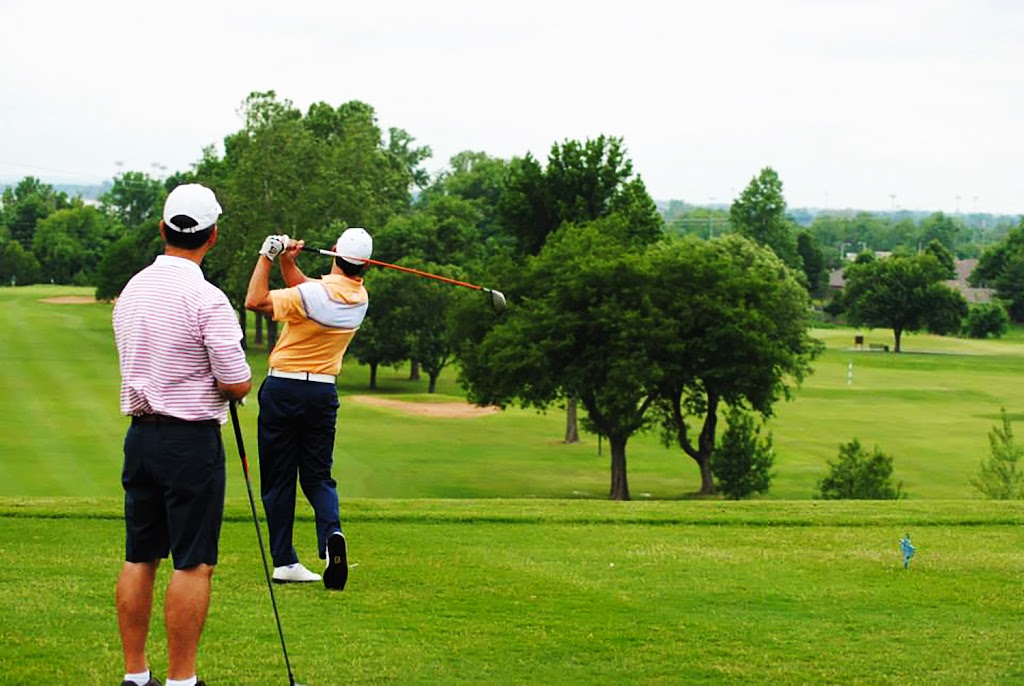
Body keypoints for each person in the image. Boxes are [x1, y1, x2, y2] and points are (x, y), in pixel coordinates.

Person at [112, 183, 252, 686]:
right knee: (194, 563)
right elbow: (236, 381)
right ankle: (182, 681)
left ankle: (136, 676)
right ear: (212, 236)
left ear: (162, 228)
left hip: (140, 439)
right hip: (190, 443)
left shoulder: (132, 288)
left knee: (140, 555)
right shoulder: (207, 298)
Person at [244, 228, 371, 590]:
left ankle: (284, 560)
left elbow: (255, 301)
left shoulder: (313, 294)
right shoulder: (359, 298)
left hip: (283, 388)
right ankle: (332, 534)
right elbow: (307, 294)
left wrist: (266, 254)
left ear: (334, 253)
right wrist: (289, 262)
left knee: (279, 479)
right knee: (317, 477)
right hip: (322, 395)